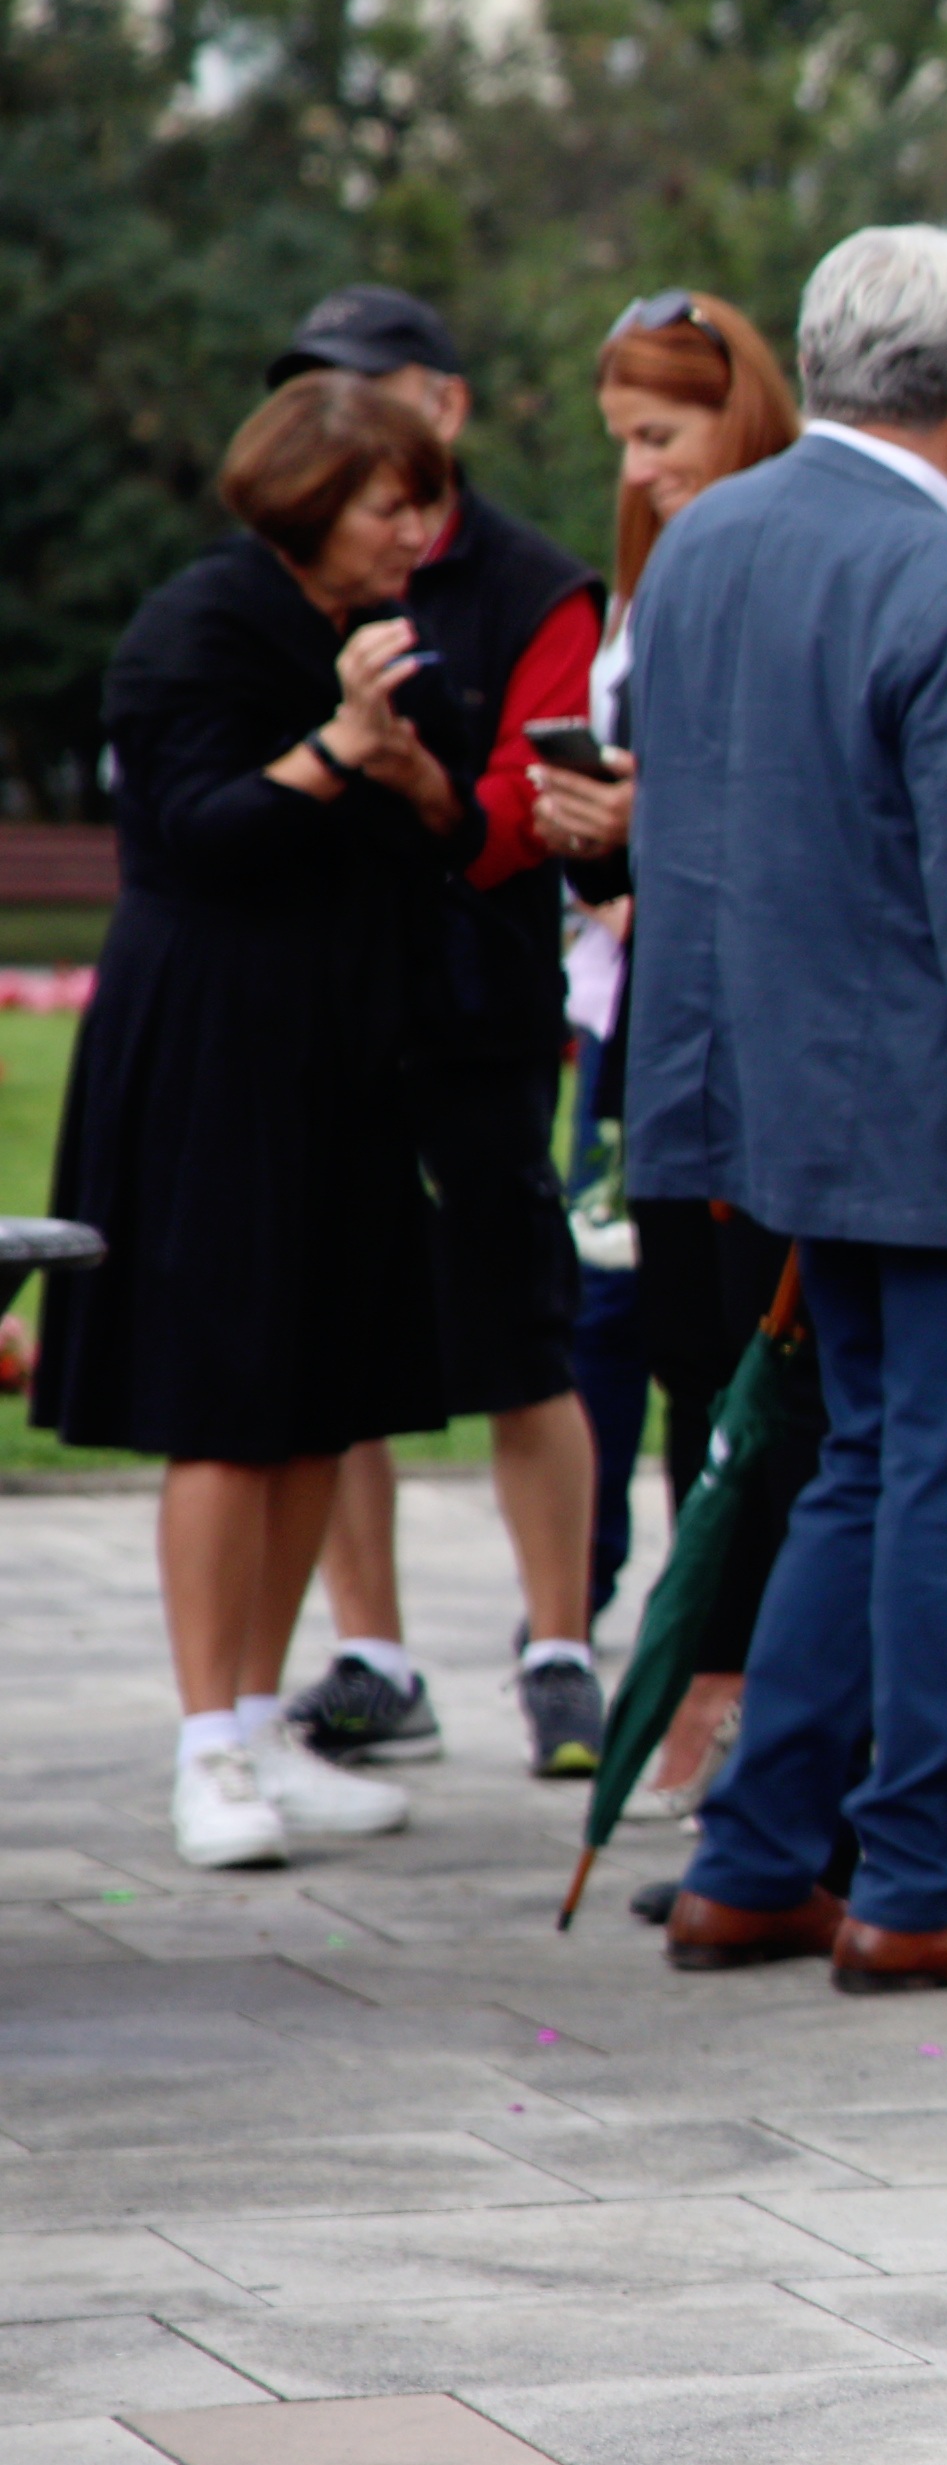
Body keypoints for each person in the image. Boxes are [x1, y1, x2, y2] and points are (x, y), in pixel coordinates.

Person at [620, 225, 947, 1995]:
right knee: (938, 1489)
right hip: (941, 1133)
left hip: (772, 1114)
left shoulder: (706, 550)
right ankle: (918, 1873)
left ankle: (762, 1857)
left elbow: (678, 857)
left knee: (857, 1472)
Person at [34, 373, 462, 1869]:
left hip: (340, 1050)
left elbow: (449, 833)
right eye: (389, 502)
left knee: (314, 1393)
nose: (419, 528)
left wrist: (415, 776)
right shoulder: (199, 628)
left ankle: (268, 1718)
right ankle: (204, 1743)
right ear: (307, 503)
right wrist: (343, 749)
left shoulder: (379, 640)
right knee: (222, 1398)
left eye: (424, 499)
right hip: (210, 1045)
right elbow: (193, 840)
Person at [262, 288, 612, 1780]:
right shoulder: (274, 576)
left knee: (522, 1333)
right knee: (341, 1326)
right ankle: (373, 1648)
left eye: (364, 396)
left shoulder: (534, 584)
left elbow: (530, 819)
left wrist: (414, 792)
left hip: (474, 1009)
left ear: (446, 409)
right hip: (323, 1005)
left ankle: (559, 1647)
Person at [547, 292, 807, 1806]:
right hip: (661, 1034)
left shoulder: (786, 567)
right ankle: (709, 1665)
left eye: (666, 434)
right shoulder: (647, 591)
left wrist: (661, 836)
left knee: (760, 1362)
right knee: (682, 1360)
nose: (643, 469)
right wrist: (590, 842)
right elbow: (634, 877)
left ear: (744, 416)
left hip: (769, 1039)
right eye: (625, 444)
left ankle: (749, 1683)